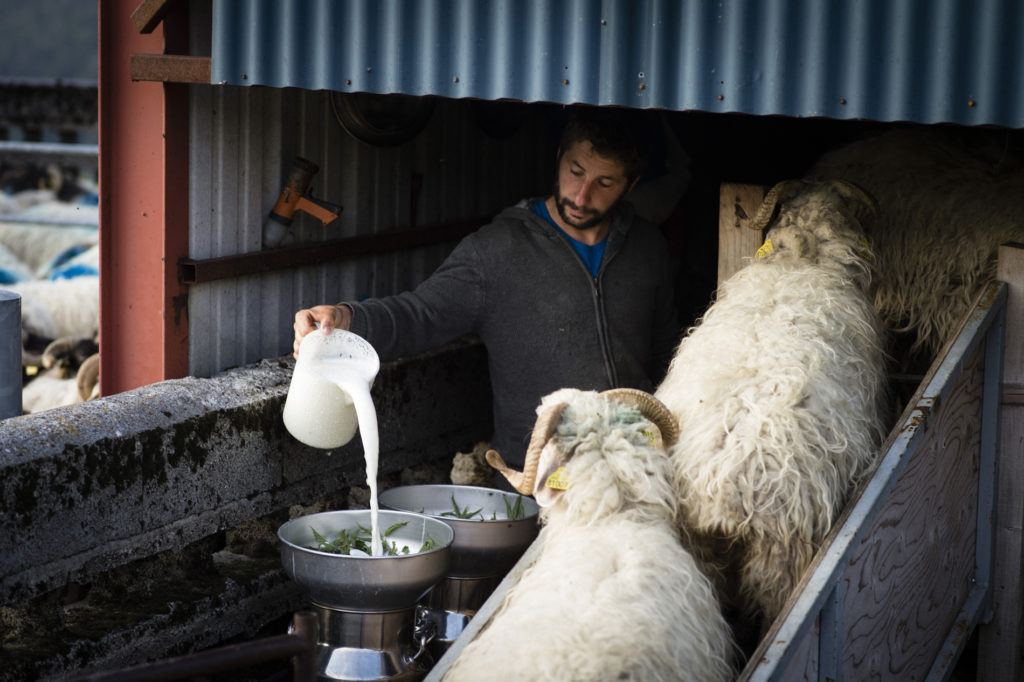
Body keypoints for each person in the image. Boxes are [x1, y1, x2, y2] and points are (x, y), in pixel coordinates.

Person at [293, 109, 679, 472]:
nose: (581, 195)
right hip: (538, 478)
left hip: (635, 468)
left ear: (632, 184)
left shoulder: (648, 248)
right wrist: (346, 319)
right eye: (575, 171)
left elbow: (667, 356)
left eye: (604, 183)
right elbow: (421, 314)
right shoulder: (496, 251)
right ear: (559, 156)